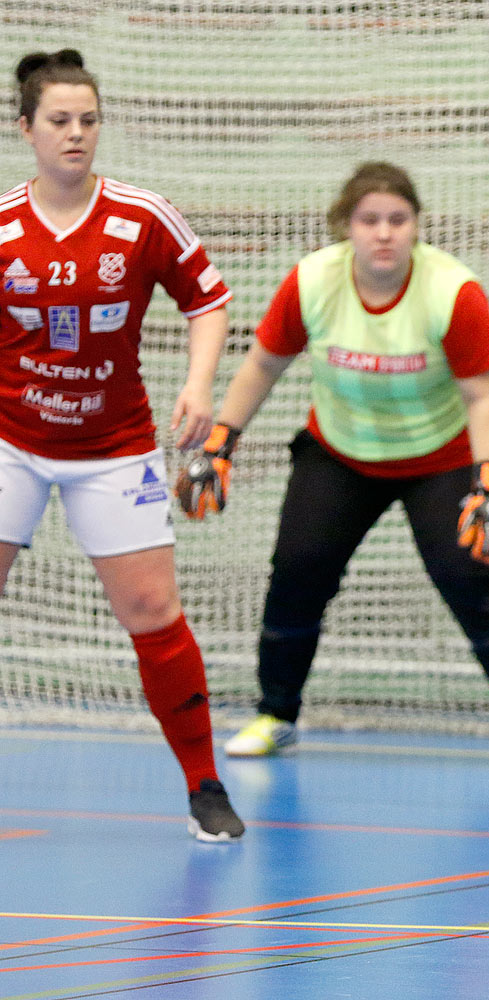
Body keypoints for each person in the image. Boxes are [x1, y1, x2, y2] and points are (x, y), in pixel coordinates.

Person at [177, 161, 489, 768]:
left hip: (438, 458)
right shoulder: (312, 280)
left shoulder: (453, 291)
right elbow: (262, 366)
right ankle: (275, 713)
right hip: (339, 452)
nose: (383, 232)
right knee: (297, 571)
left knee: (468, 577)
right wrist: (219, 442)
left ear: (416, 226)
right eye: (369, 220)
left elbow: (482, 395)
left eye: (397, 219)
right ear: (346, 227)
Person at [0, 50, 243, 841]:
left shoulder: (141, 217)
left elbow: (208, 300)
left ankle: (205, 786)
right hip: (11, 441)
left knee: (151, 610)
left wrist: (200, 387)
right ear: (26, 128)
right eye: (60, 121)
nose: (76, 134)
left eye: (88, 120)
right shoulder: (4, 224)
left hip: (113, 445)